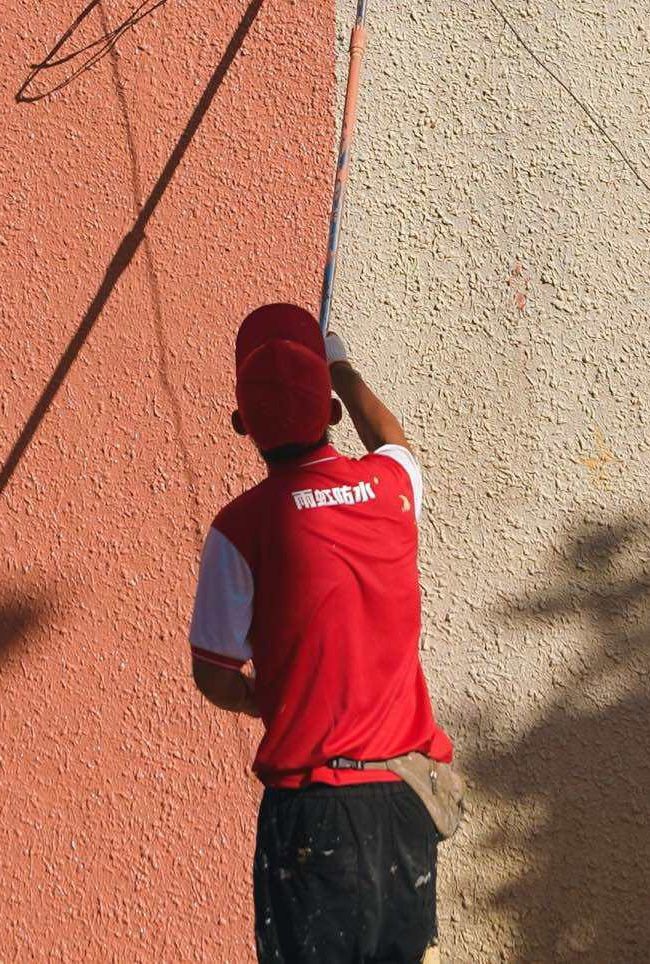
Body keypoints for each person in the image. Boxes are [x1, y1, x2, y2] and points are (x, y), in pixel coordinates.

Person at [188, 301, 454, 964]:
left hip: (312, 813)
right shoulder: (391, 487)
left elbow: (213, 675)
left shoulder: (241, 528)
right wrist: (341, 366)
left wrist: (264, 698)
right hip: (402, 801)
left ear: (241, 426)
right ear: (332, 413)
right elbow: (391, 437)